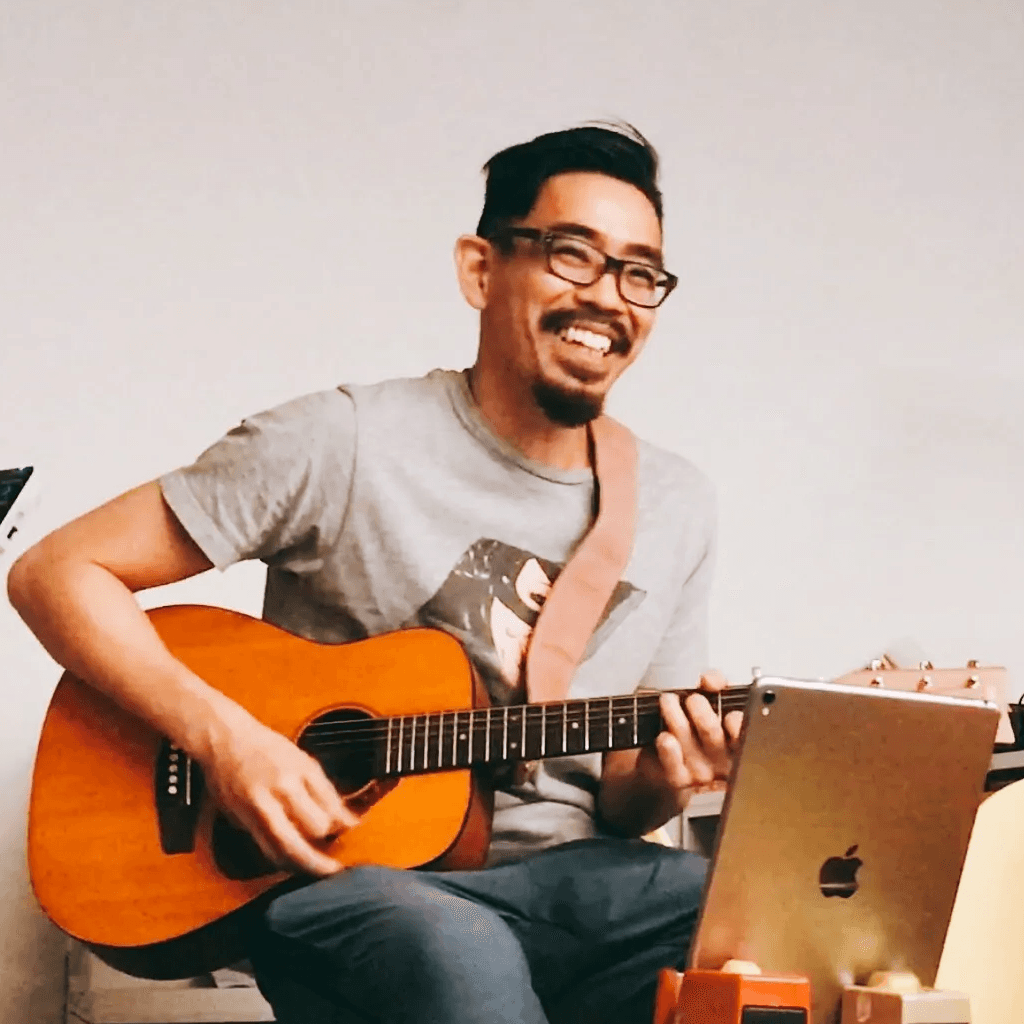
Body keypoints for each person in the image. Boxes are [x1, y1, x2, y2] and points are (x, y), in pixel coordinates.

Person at [9, 122, 743, 1024]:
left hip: (571, 886)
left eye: (639, 274)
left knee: (754, 917)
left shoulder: (675, 503)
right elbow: (57, 571)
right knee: (457, 951)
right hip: (355, 882)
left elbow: (623, 798)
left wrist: (672, 775)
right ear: (480, 270)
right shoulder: (344, 441)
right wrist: (227, 742)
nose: (609, 297)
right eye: (572, 255)